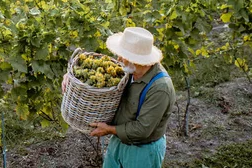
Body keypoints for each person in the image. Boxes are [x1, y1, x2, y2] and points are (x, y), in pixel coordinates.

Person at [63, 27, 176, 168]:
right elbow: (98, 72)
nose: (118, 59)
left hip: (143, 151)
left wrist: (109, 129)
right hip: (119, 140)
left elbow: (142, 130)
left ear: (138, 60)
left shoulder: (160, 88)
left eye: (124, 55)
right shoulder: (128, 69)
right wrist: (72, 76)